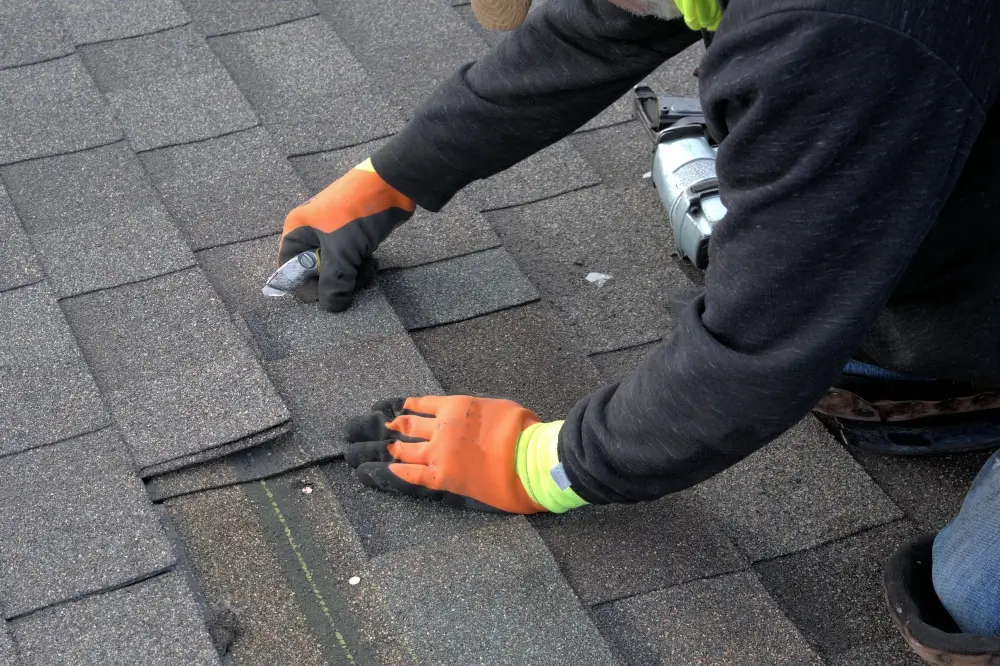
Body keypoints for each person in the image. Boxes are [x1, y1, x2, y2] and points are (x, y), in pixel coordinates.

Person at [277, 0, 1000, 661]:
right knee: (859, 335)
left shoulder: (847, 31)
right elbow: (599, 28)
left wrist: (542, 464)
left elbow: (754, 357)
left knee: (971, 600)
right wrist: (393, 176)